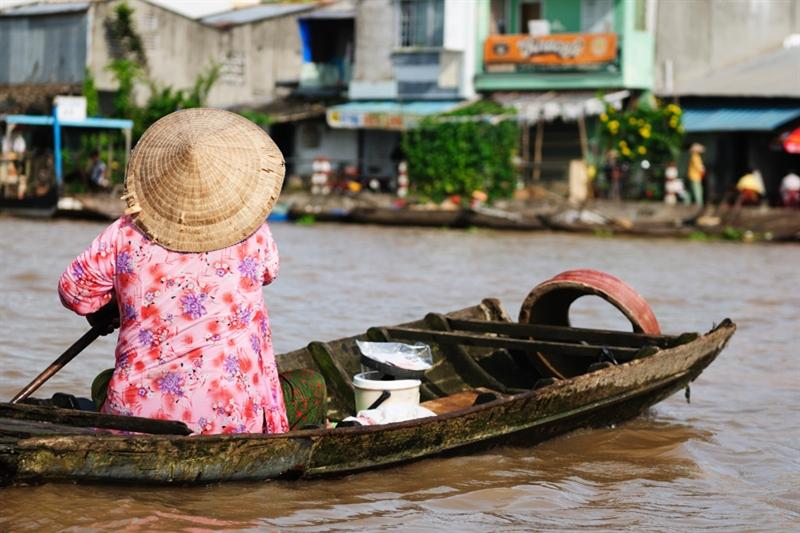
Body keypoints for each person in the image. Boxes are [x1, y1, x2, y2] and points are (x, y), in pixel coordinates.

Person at [58, 109, 299, 435]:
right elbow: (269, 271)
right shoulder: (254, 236)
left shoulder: (125, 232)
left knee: (104, 383)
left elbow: (75, 292)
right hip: (233, 420)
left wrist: (114, 304)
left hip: (135, 418)